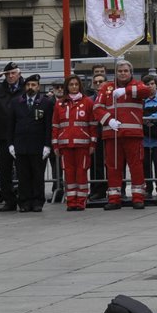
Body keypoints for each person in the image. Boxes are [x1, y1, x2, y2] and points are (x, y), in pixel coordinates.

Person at [94, 59, 155, 209]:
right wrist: (109, 120)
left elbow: (148, 91)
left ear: (131, 73)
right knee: (113, 167)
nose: (122, 73)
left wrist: (126, 91)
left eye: (125, 71)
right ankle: (114, 199)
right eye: (120, 71)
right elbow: (97, 108)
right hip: (112, 133)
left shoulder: (137, 85)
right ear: (115, 73)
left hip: (132, 133)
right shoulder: (107, 88)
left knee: (136, 166)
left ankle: (138, 197)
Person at [51, 75, 96, 211]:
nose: (74, 87)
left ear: (80, 86)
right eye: (71, 84)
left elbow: (92, 125)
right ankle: (71, 201)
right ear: (67, 87)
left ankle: (81, 201)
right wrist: (55, 145)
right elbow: (55, 125)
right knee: (69, 173)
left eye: (76, 84)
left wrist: (93, 143)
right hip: (65, 145)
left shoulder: (88, 102)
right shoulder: (60, 103)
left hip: (83, 144)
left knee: (81, 172)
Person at [9, 73, 54, 212]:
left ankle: (37, 201)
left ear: (38, 87)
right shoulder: (16, 102)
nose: (30, 87)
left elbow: (48, 125)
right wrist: (10, 144)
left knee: (37, 175)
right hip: (21, 145)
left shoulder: (46, 102)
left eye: (33, 85)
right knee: (23, 176)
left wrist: (47, 145)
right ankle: (24, 202)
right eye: (28, 85)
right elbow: (11, 124)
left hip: (38, 145)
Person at [0, 62, 25, 212]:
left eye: (13, 73)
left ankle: (24, 199)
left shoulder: (25, 88)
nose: (10, 76)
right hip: (3, 135)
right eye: (7, 74)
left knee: (23, 170)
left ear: (19, 74)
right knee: (5, 171)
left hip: (21, 135)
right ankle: (9, 200)